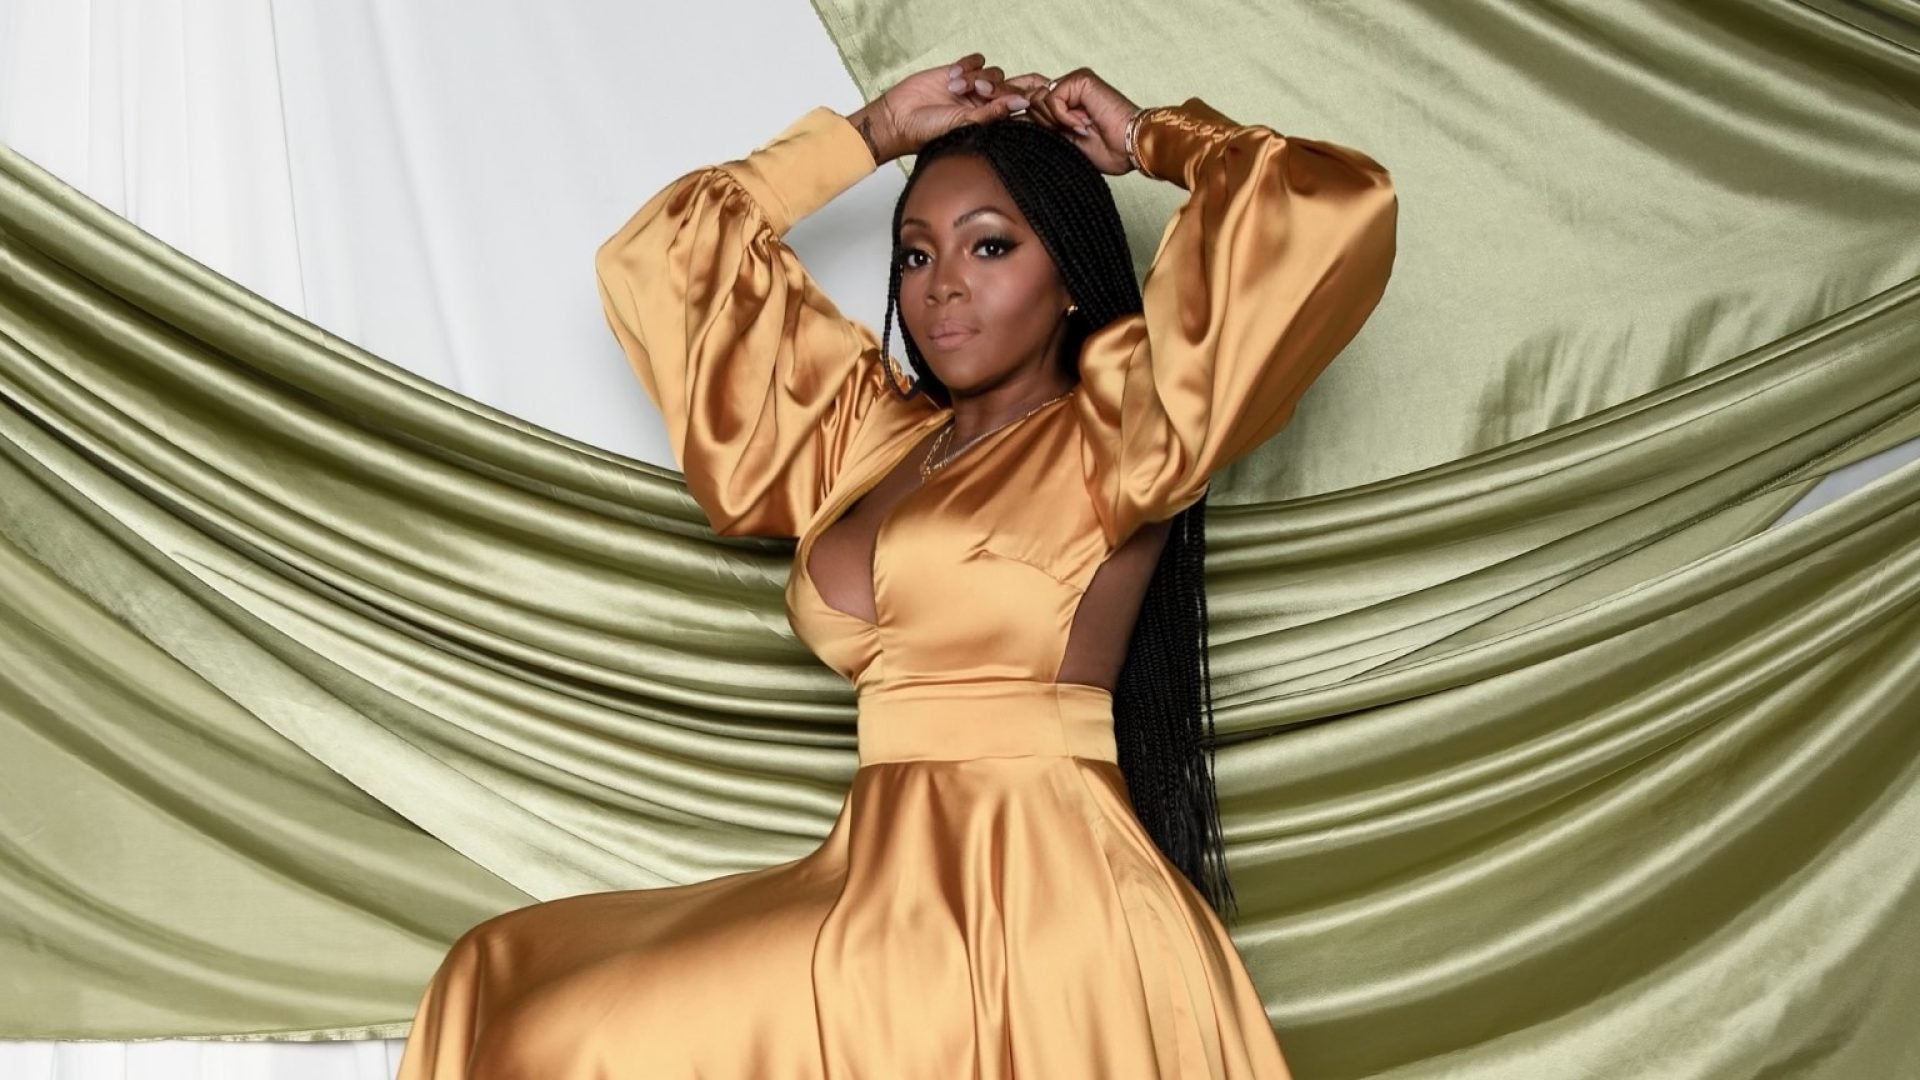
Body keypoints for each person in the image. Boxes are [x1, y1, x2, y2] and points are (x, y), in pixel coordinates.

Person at [395, 52, 1396, 1080]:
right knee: (503, 976)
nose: (943, 285)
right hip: (882, 878)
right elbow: (664, 258)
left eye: (990, 246)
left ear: (1068, 279)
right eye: (915, 254)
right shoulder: (870, 439)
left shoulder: (1125, 422)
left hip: (1033, 897)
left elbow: (1324, 202)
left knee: (564, 1038)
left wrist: (1146, 136)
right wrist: (870, 133)